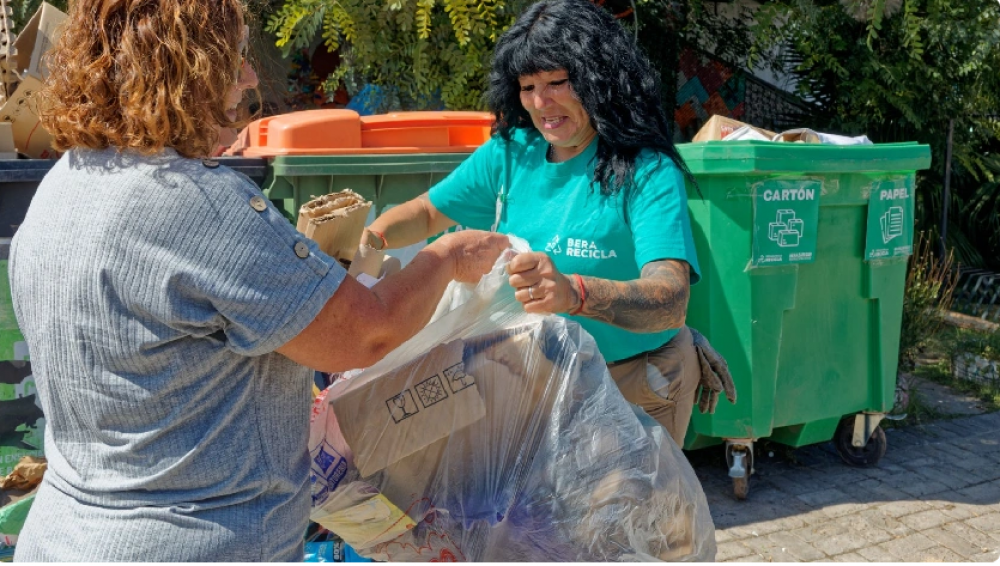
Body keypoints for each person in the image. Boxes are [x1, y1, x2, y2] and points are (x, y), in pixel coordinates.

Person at [8, 0, 507, 561]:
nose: (247, 78)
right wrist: (443, 258)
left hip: (62, 538)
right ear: (188, 69)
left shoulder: (60, 187)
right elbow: (368, 334)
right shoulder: (197, 202)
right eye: (237, 57)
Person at [356, 0, 734, 447]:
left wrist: (574, 292)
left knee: (621, 515)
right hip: (533, 379)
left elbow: (670, 298)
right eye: (527, 86)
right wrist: (370, 239)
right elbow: (425, 213)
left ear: (601, 80)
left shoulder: (647, 171)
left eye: (557, 82)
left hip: (635, 382)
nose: (540, 103)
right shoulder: (511, 153)